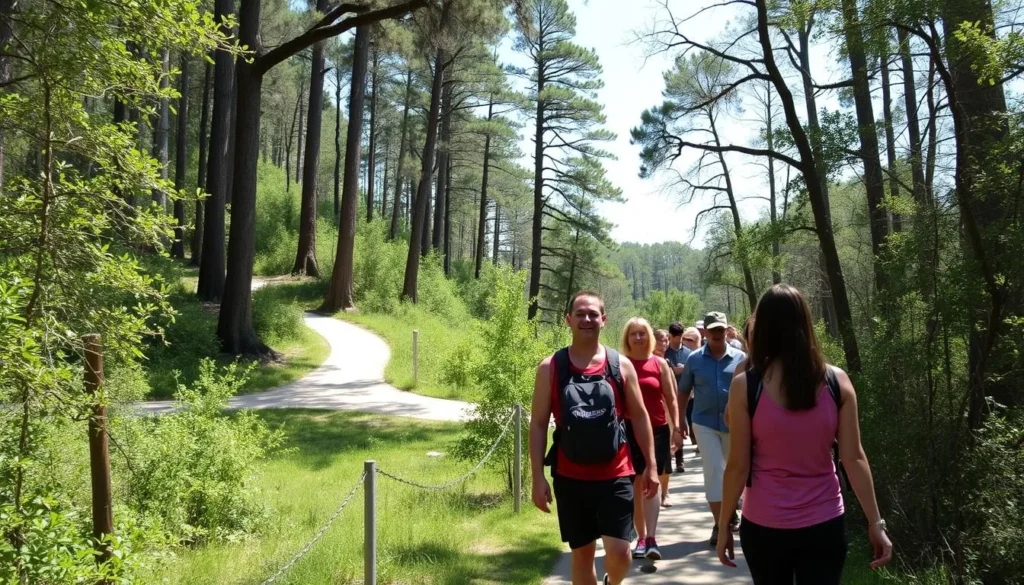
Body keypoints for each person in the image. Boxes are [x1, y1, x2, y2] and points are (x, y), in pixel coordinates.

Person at [716, 284, 893, 583]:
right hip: (825, 524)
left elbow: (738, 465)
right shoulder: (838, 381)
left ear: (763, 328)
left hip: (764, 526)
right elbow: (854, 457)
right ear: (805, 324)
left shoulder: (746, 385)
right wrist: (876, 522)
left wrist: (723, 527)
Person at [530, 290, 659, 585]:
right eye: (580, 314)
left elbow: (639, 416)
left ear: (604, 319)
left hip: (616, 475)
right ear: (568, 320)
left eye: (592, 314)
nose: (587, 319)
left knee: (620, 553)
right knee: (582, 555)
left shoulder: (620, 365)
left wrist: (650, 465)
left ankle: (612, 582)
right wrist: (537, 476)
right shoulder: (550, 367)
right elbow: (538, 424)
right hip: (570, 477)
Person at [678, 311, 746, 547]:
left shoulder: (741, 359)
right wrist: (680, 421)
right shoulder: (694, 359)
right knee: (714, 471)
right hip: (703, 422)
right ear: (704, 332)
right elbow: (684, 390)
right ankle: (720, 524)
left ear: (727, 330)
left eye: (721, 329)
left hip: (735, 425)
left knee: (734, 471)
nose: (717, 333)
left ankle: (732, 510)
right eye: (712, 329)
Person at [622, 320, 682, 560]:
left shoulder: (659, 364)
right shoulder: (620, 365)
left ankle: (653, 539)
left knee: (652, 480)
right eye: (633, 334)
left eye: (642, 334)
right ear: (627, 338)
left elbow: (672, 398)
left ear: (650, 337)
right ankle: (641, 537)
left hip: (657, 429)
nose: (638, 338)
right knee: (637, 484)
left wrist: (677, 427)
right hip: (628, 430)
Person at [664, 322, 692, 473]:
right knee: (671, 427)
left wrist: (685, 370)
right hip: (668, 395)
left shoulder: (688, 353)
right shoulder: (665, 353)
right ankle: (670, 457)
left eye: (680, 336)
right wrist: (673, 371)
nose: (678, 339)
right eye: (675, 336)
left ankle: (680, 460)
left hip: (684, 394)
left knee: (681, 425)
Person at [680, 327, 702, 445]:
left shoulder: (701, 356)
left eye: (690, 339)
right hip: (685, 392)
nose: (686, 341)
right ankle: (696, 440)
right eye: (685, 339)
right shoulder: (687, 355)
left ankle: (698, 441)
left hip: (698, 396)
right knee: (689, 415)